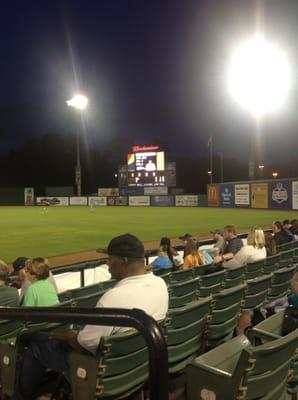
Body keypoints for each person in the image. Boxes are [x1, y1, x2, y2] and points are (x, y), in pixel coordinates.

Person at [16, 234, 169, 400]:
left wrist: (69, 336)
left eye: (111, 259)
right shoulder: (160, 284)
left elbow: (84, 343)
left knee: (37, 342)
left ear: (124, 261)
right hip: (139, 366)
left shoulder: (114, 297)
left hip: (107, 372)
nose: (107, 264)